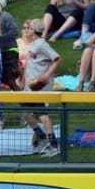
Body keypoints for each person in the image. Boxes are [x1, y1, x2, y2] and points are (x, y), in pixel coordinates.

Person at [22, 18, 61, 158]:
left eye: (28, 28)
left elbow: (57, 59)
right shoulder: (34, 44)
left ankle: (54, 145)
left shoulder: (41, 44)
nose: (26, 30)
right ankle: (41, 135)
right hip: (30, 87)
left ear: (34, 30)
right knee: (25, 112)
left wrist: (47, 75)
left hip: (40, 87)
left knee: (43, 115)